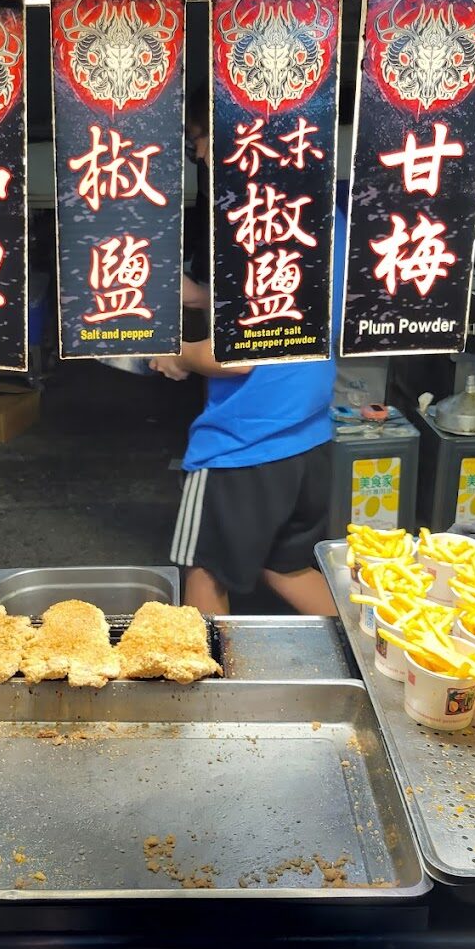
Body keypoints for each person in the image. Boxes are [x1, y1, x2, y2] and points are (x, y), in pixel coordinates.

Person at [149, 99, 340, 617]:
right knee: (287, 565)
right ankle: (382, 650)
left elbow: (238, 357)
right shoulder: (323, 214)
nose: (200, 154)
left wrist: (178, 355)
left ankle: (207, 671)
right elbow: (288, 311)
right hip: (308, 435)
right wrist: (201, 296)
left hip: (244, 441)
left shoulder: (251, 221)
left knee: (204, 569)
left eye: (201, 138)